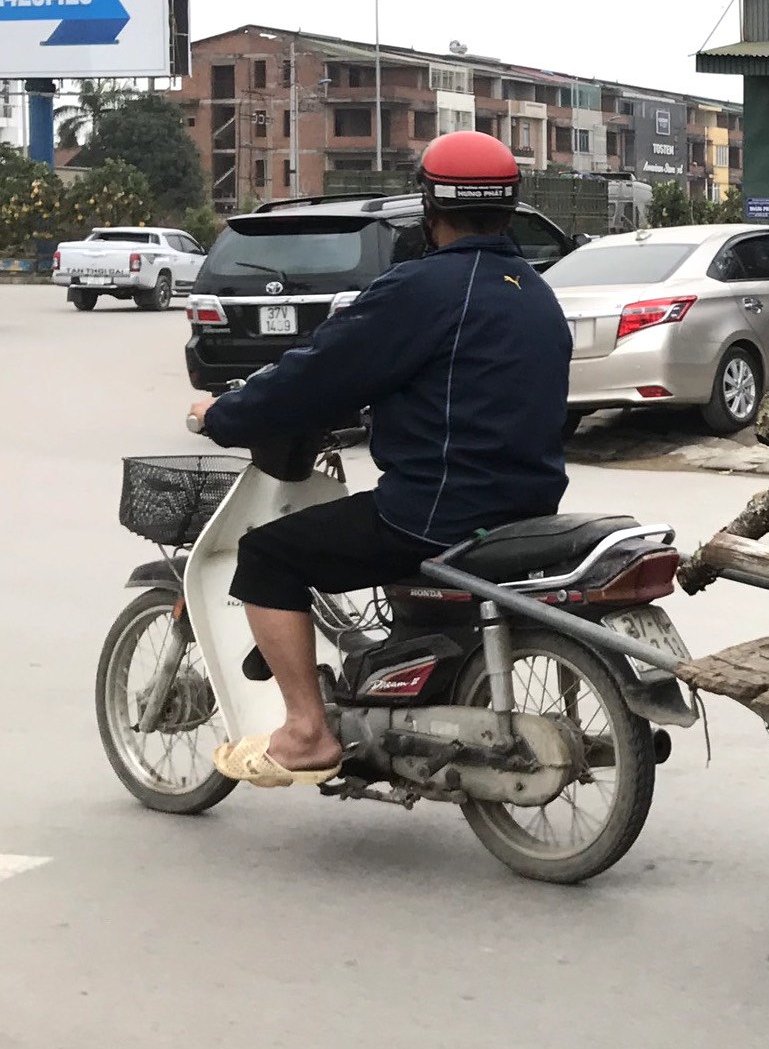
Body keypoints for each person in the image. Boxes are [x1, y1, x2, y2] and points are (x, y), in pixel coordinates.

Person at [190, 131, 572, 788]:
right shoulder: (532, 290)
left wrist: (222, 415)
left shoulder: (422, 288)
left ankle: (306, 731)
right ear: (509, 207)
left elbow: (320, 372)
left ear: (430, 206)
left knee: (267, 555)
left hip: (435, 512)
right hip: (527, 503)